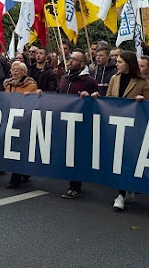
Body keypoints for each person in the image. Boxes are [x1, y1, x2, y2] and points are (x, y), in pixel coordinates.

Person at [95, 51, 149, 210]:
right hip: (116, 124)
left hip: (133, 127)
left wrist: (142, 102)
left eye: (119, 61)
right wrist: (96, 98)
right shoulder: (114, 79)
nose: (117, 64)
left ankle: (121, 194)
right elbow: (108, 100)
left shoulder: (142, 81)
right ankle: (124, 191)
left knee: (127, 160)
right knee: (119, 159)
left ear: (128, 63)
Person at [59, 49, 99, 199]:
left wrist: (89, 97)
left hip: (80, 124)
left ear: (82, 64)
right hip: (64, 121)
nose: (70, 61)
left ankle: (75, 186)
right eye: (70, 58)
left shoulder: (89, 81)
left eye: (74, 59)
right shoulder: (64, 78)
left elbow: (96, 102)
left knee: (76, 155)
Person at [4, 61, 38, 188]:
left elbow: (34, 103)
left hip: (24, 121)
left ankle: (15, 179)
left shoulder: (31, 86)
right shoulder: (8, 85)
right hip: (11, 119)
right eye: (13, 69)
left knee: (19, 148)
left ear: (24, 72)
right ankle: (24, 172)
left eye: (17, 70)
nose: (14, 72)